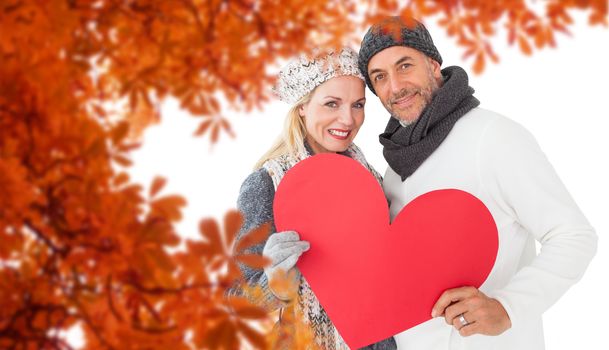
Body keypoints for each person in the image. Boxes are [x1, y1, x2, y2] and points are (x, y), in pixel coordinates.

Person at [357, 16, 598, 350]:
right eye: (379, 77)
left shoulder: (494, 137)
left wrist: (508, 307)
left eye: (404, 66)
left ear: (433, 64)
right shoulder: (395, 167)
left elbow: (573, 236)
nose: (395, 87)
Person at [233, 47, 396, 349]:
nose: (348, 119)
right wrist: (275, 284)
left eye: (358, 105)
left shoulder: (370, 177)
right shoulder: (267, 185)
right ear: (303, 107)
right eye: (332, 103)